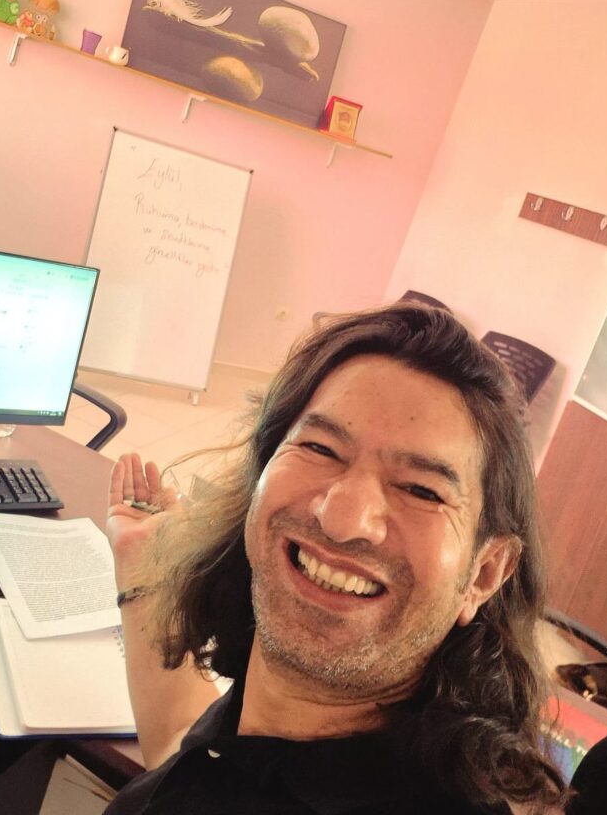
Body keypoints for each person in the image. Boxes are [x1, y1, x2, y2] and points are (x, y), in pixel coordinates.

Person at [104, 304, 567, 814]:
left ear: (484, 573)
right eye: (321, 448)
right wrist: (143, 564)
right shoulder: (268, 736)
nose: (342, 519)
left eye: (420, 489)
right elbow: (186, 756)